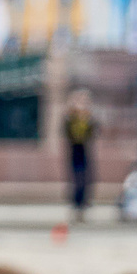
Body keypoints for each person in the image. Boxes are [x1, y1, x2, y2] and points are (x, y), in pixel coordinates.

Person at [62, 87, 95, 222]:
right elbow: (70, 134)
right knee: (76, 179)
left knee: (86, 178)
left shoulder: (89, 118)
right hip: (75, 150)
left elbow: (92, 133)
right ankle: (76, 204)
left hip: (84, 150)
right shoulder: (70, 118)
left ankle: (83, 205)